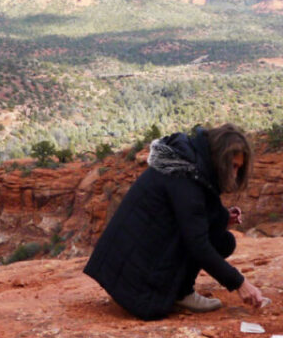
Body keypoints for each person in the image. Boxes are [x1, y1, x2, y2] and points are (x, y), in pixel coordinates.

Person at [83, 123, 265, 320]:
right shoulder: (185, 177)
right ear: (220, 158)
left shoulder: (188, 163)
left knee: (222, 239)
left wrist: (221, 217)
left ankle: (179, 291)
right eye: (233, 166)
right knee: (155, 305)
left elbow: (192, 208)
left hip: (129, 256)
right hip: (133, 275)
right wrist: (240, 284)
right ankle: (181, 294)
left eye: (239, 168)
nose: (235, 174)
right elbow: (198, 244)